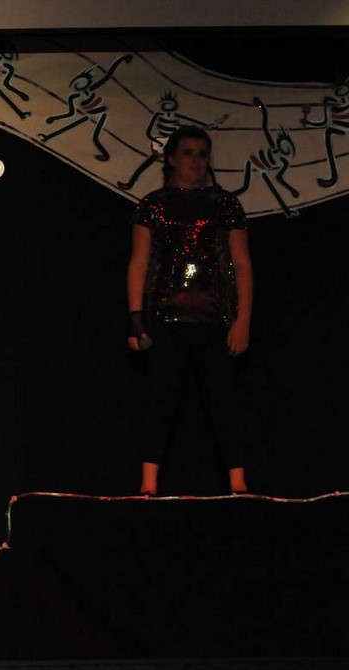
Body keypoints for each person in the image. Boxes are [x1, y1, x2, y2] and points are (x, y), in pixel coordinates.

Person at [126, 125, 253, 496]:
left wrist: (243, 320)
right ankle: (148, 485)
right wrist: (136, 320)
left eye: (201, 154)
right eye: (187, 153)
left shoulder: (225, 204)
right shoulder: (152, 205)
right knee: (161, 401)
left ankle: (238, 484)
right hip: (165, 316)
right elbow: (139, 263)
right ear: (171, 159)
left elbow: (242, 264)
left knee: (223, 402)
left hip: (215, 317)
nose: (196, 161)